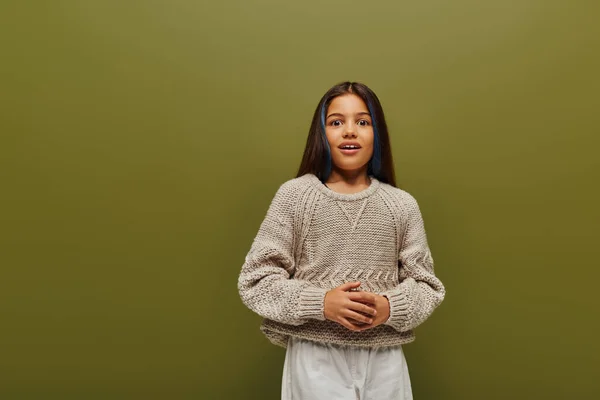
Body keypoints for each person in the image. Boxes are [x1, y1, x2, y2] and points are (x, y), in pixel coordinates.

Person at [237, 81, 446, 400]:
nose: (350, 131)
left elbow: (426, 286)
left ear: (378, 134)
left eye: (363, 122)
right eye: (337, 122)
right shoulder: (295, 197)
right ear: (321, 133)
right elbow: (255, 281)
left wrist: (388, 306)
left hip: (384, 360)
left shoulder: (401, 205)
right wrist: (322, 303)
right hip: (314, 356)